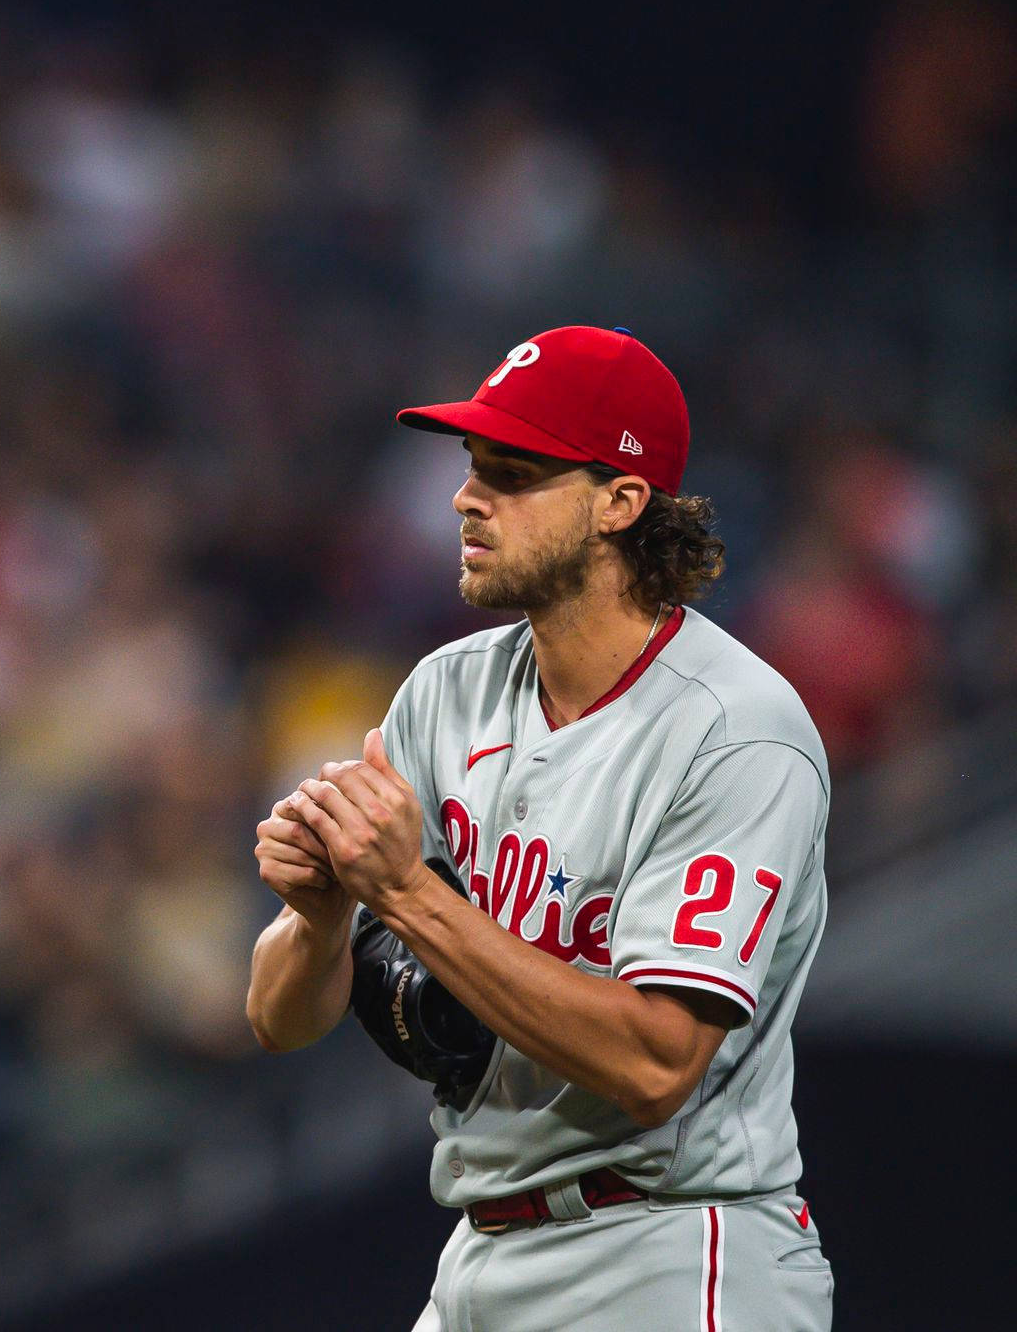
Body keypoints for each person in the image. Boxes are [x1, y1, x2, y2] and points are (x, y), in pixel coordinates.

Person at [246, 325, 833, 1331]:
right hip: (478, 1247)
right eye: (472, 468)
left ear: (620, 500)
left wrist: (407, 893)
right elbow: (277, 1018)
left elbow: (655, 1064)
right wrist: (318, 918)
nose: (465, 499)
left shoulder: (734, 728)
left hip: (666, 1246)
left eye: (512, 474)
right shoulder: (447, 689)